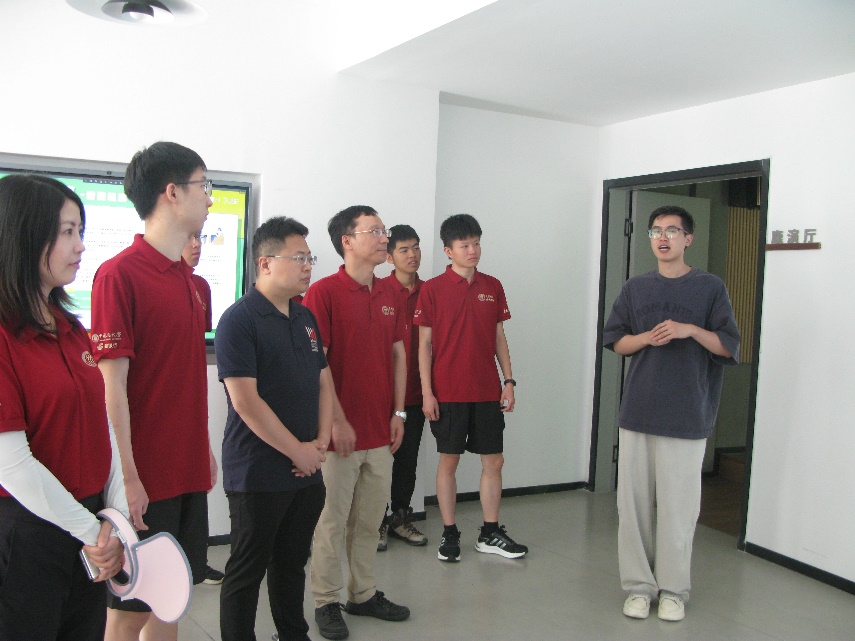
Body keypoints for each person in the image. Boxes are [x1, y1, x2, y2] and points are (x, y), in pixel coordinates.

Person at [91, 142, 218, 641]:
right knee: (129, 612)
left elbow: (181, 378)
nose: (210, 197)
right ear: (172, 192)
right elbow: (113, 390)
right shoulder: (119, 275)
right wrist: (127, 478)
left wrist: (201, 450)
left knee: (172, 598)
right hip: (144, 479)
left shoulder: (192, 282)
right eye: (203, 185)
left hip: (187, 470)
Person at [0, 174, 127, 640]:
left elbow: (101, 425)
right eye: (67, 232)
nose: (80, 245)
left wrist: (113, 523)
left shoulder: (71, 328)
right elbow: (11, 463)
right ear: (25, 235)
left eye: (81, 231)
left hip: (88, 528)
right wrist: (93, 534)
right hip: (28, 531)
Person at [603, 205, 740, 622]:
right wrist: (645, 337)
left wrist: (690, 330)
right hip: (638, 412)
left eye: (672, 231)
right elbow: (616, 341)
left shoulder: (710, 287)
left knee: (679, 509)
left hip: (687, 414)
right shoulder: (636, 288)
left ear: (687, 239)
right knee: (633, 507)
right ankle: (639, 587)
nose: (663, 238)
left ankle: (674, 590)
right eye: (656, 231)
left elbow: (728, 346)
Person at [216, 217, 331, 641]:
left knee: (291, 563)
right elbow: (246, 402)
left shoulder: (305, 317)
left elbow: (323, 380)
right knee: (247, 570)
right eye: (299, 258)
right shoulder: (239, 320)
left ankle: (293, 634)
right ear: (265, 263)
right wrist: (297, 451)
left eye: (310, 258)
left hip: (307, 470)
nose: (308, 266)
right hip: (258, 471)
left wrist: (320, 443)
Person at [304, 205, 410, 640]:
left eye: (384, 230)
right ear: (347, 241)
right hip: (337, 437)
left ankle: (362, 593)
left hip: (380, 432)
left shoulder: (389, 293)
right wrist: (334, 421)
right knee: (330, 523)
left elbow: (399, 354)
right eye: (375, 231)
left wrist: (399, 412)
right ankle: (326, 601)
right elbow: (316, 365)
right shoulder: (323, 294)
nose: (384, 238)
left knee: (369, 521)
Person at [415, 213, 526, 563]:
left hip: (487, 391)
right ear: (448, 251)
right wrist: (427, 393)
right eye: (465, 245)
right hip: (448, 393)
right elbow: (424, 345)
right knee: (448, 462)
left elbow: (499, 337)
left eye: (476, 243)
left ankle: (490, 532)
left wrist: (508, 381)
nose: (473, 250)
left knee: (494, 461)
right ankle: (449, 533)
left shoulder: (492, 286)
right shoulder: (432, 289)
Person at [377, 224, 427, 550]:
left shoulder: (430, 292)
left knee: (407, 461)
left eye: (416, 248)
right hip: (383, 395)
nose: (412, 255)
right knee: (379, 464)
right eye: (404, 250)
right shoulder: (379, 290)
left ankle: (400, 518)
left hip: (417, 394)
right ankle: (375, 522)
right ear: (389, 256)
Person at [181, 231, 225, 586]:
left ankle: (196, 561)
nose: (197, 244)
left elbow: (197, 344)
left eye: (200, 237)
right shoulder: (124, 274)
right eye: (189, 238)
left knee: (197, 489)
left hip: (193, 403)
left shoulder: (200, 286)